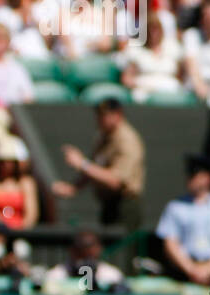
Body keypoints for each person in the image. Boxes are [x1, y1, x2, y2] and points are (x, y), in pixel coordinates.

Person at [51, 98, 146, 231]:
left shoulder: (127, 140)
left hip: (124, 206)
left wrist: (82, 163)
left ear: (118, 114)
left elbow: (115, 181)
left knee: (121, 249)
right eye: (99, 115)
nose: (100, 119)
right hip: (108, 204)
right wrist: (73, 187)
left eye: (105, 115)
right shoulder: (104, 137)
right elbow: (95, 167)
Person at [155, 154, 210, 285]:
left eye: (195, 176)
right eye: (189, 175)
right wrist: (191, 269)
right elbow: (170, 243)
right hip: (183, 276)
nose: (190, 180)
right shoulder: (175, 207)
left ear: (208, 178)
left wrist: (209, 269)